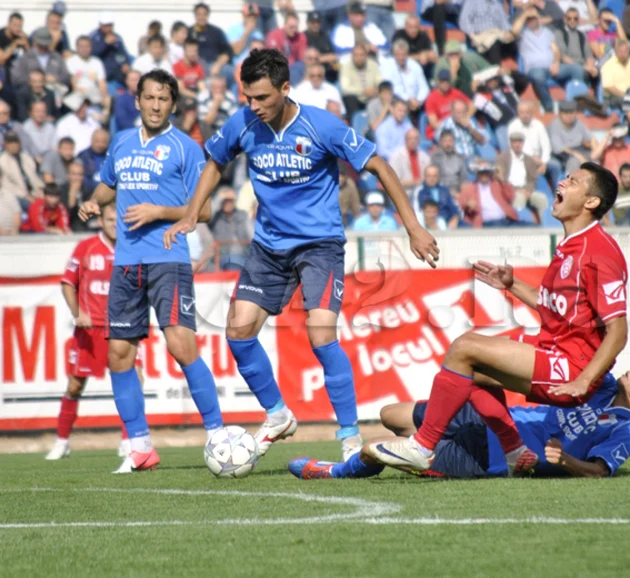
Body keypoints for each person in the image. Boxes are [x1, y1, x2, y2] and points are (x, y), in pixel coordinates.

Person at [163, 49, 438, 461]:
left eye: (262, 98)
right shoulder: (243, 122)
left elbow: (379, 166)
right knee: (237, 332)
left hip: (319, 246)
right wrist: (189, 215)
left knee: (321, 333)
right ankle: (278, 415)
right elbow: (214, 163)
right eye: (248, 98)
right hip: (268, 247)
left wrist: (413, 227)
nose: (253, 107)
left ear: (285, 89)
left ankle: (348, 438)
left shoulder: (321, 124)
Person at [369, 163, 626, 477]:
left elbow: (618, 331)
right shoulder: (570, 246)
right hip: (556, 354)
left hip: (572, 366)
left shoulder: (600, 252)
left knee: (465, 347)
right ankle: (515, 452)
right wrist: (512, 285)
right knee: (471, 371)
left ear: (591, 202)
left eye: (573, 181)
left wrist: (584, 380)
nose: (561, 182)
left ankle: (422, 447)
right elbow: (552, 307)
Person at [78, 69, 223, 474]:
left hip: (168, 259)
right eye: (149, 98)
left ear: (172, 105)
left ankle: (217, 435)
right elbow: (108, 186)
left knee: (181, 346)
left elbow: (205, 210)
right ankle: (140, 446)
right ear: (137, 101)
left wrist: (160, 212)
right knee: (119, 354)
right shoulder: (122, 143)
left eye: (163, 99)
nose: (156, 105)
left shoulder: (186, 148)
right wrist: (93, 202)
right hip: (126, 263)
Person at [290, 355, 630, 479]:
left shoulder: (627, 429)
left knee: (375, 447)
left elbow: (600, 472)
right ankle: (415, 447)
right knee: (388, 414)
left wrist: (565, 460)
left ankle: (334, 473)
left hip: (488, 457)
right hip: (496, 419)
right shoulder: (597, 383)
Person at [45, 204, 134, 460]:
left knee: (133, 381)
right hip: (91, 329)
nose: (113, 224)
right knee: (75, 386)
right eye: (109, 219)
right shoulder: (86, 248)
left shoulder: (132, 248)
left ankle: (129, 440)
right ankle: (62, 441)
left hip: (122, 328)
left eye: (118, 220)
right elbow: (67, 284)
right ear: (100, 221)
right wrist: (77, 313)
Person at [0, 130, 43, 209]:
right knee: (31, 206)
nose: (13, 145)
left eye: (15, 142)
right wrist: (25, 195)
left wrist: (40, 190)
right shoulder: (2, 161)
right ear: (5, 145)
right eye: (10, 143)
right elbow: (6, 186)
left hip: (33, 192)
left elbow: (34, 177)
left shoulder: (26, 157)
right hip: (18, 196)